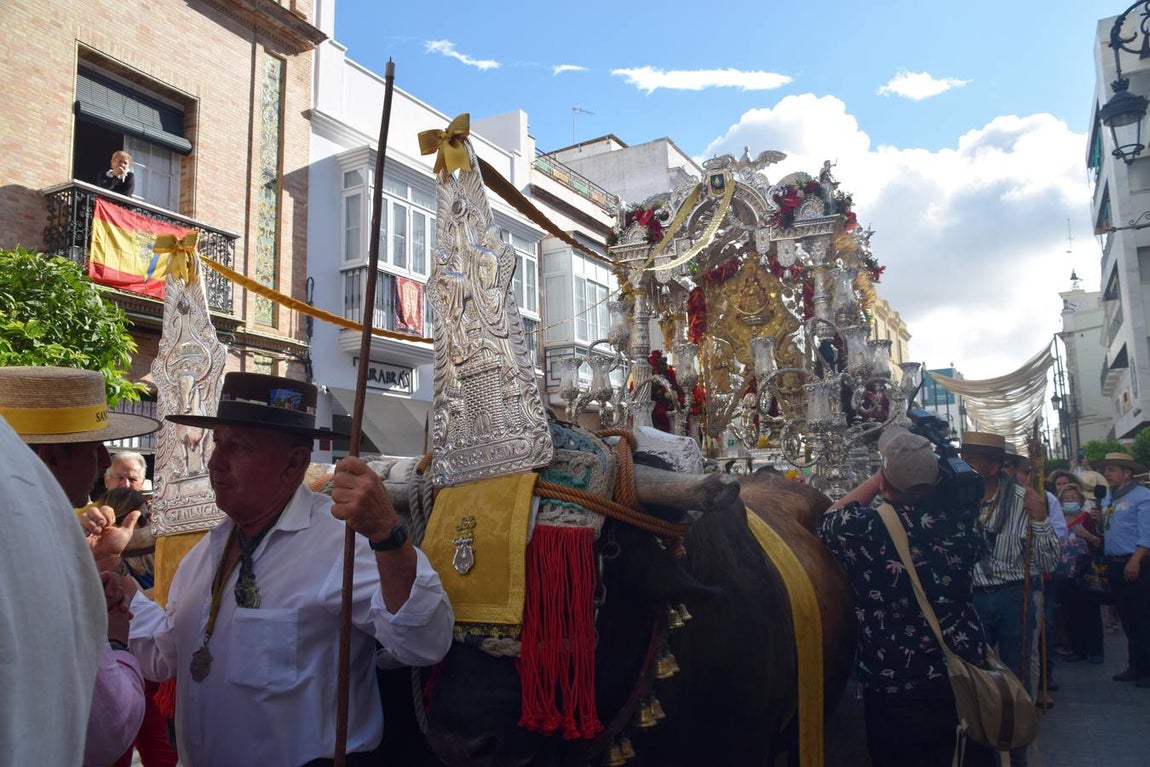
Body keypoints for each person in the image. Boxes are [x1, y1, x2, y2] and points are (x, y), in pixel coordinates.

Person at [124, 372, 454, 766]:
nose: (216, 462)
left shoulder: (341, 545)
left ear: (293, 462)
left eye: (238, 446)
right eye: (218, 442)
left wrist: (387, 534)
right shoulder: (203, 555)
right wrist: (126, 601)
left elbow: (424, 642)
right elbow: (165, 657)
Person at [0, 365, 161, 765]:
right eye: (92, 444)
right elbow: (107, 725)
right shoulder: (36, 537)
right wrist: (115, 641)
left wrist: (100, 562)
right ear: (51, 455)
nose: (103, 458)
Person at [820, 426, 994, 767]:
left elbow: (828, 519)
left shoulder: (865, 529)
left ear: (884, 483)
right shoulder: (964, 525)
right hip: (961, 673)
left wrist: (878, 477)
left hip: (894, 682)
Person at [959, 431, 1059, 767]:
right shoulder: (957, 499)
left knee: (1017, 677)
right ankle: (980, 747)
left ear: (991, 466)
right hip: (971, 597)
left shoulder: (1022, 499)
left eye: (970, 461)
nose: (964, 466)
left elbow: (1047, 564)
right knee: (974, 675)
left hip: (1014, 595)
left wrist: (1041, 519)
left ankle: (1017, 750)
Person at [1096, 452, 1150, 687]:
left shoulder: (1143, 496)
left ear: (1127, 473)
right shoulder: (1110, 496)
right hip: (1115, 564)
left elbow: (1147, 532)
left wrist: (1136, 559)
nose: (1107, 474)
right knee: (1128, 618)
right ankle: (1136, 665)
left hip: (1135, 563)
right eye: (1106, 470)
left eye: (1112, 469)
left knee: (1143, 618)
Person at [1053, 481, 1104, 664]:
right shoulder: (1057, 520)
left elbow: (1099, 543)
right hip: (1064, 574)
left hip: (1085, 572)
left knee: (1090, 612)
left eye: (1074, 498)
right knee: (1070, 613)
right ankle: (1077, 649)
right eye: (1067, 498)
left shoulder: (1088, 519)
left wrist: (1088, 535)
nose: (1070, 500)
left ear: (1081, 500)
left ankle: (1095, 650)